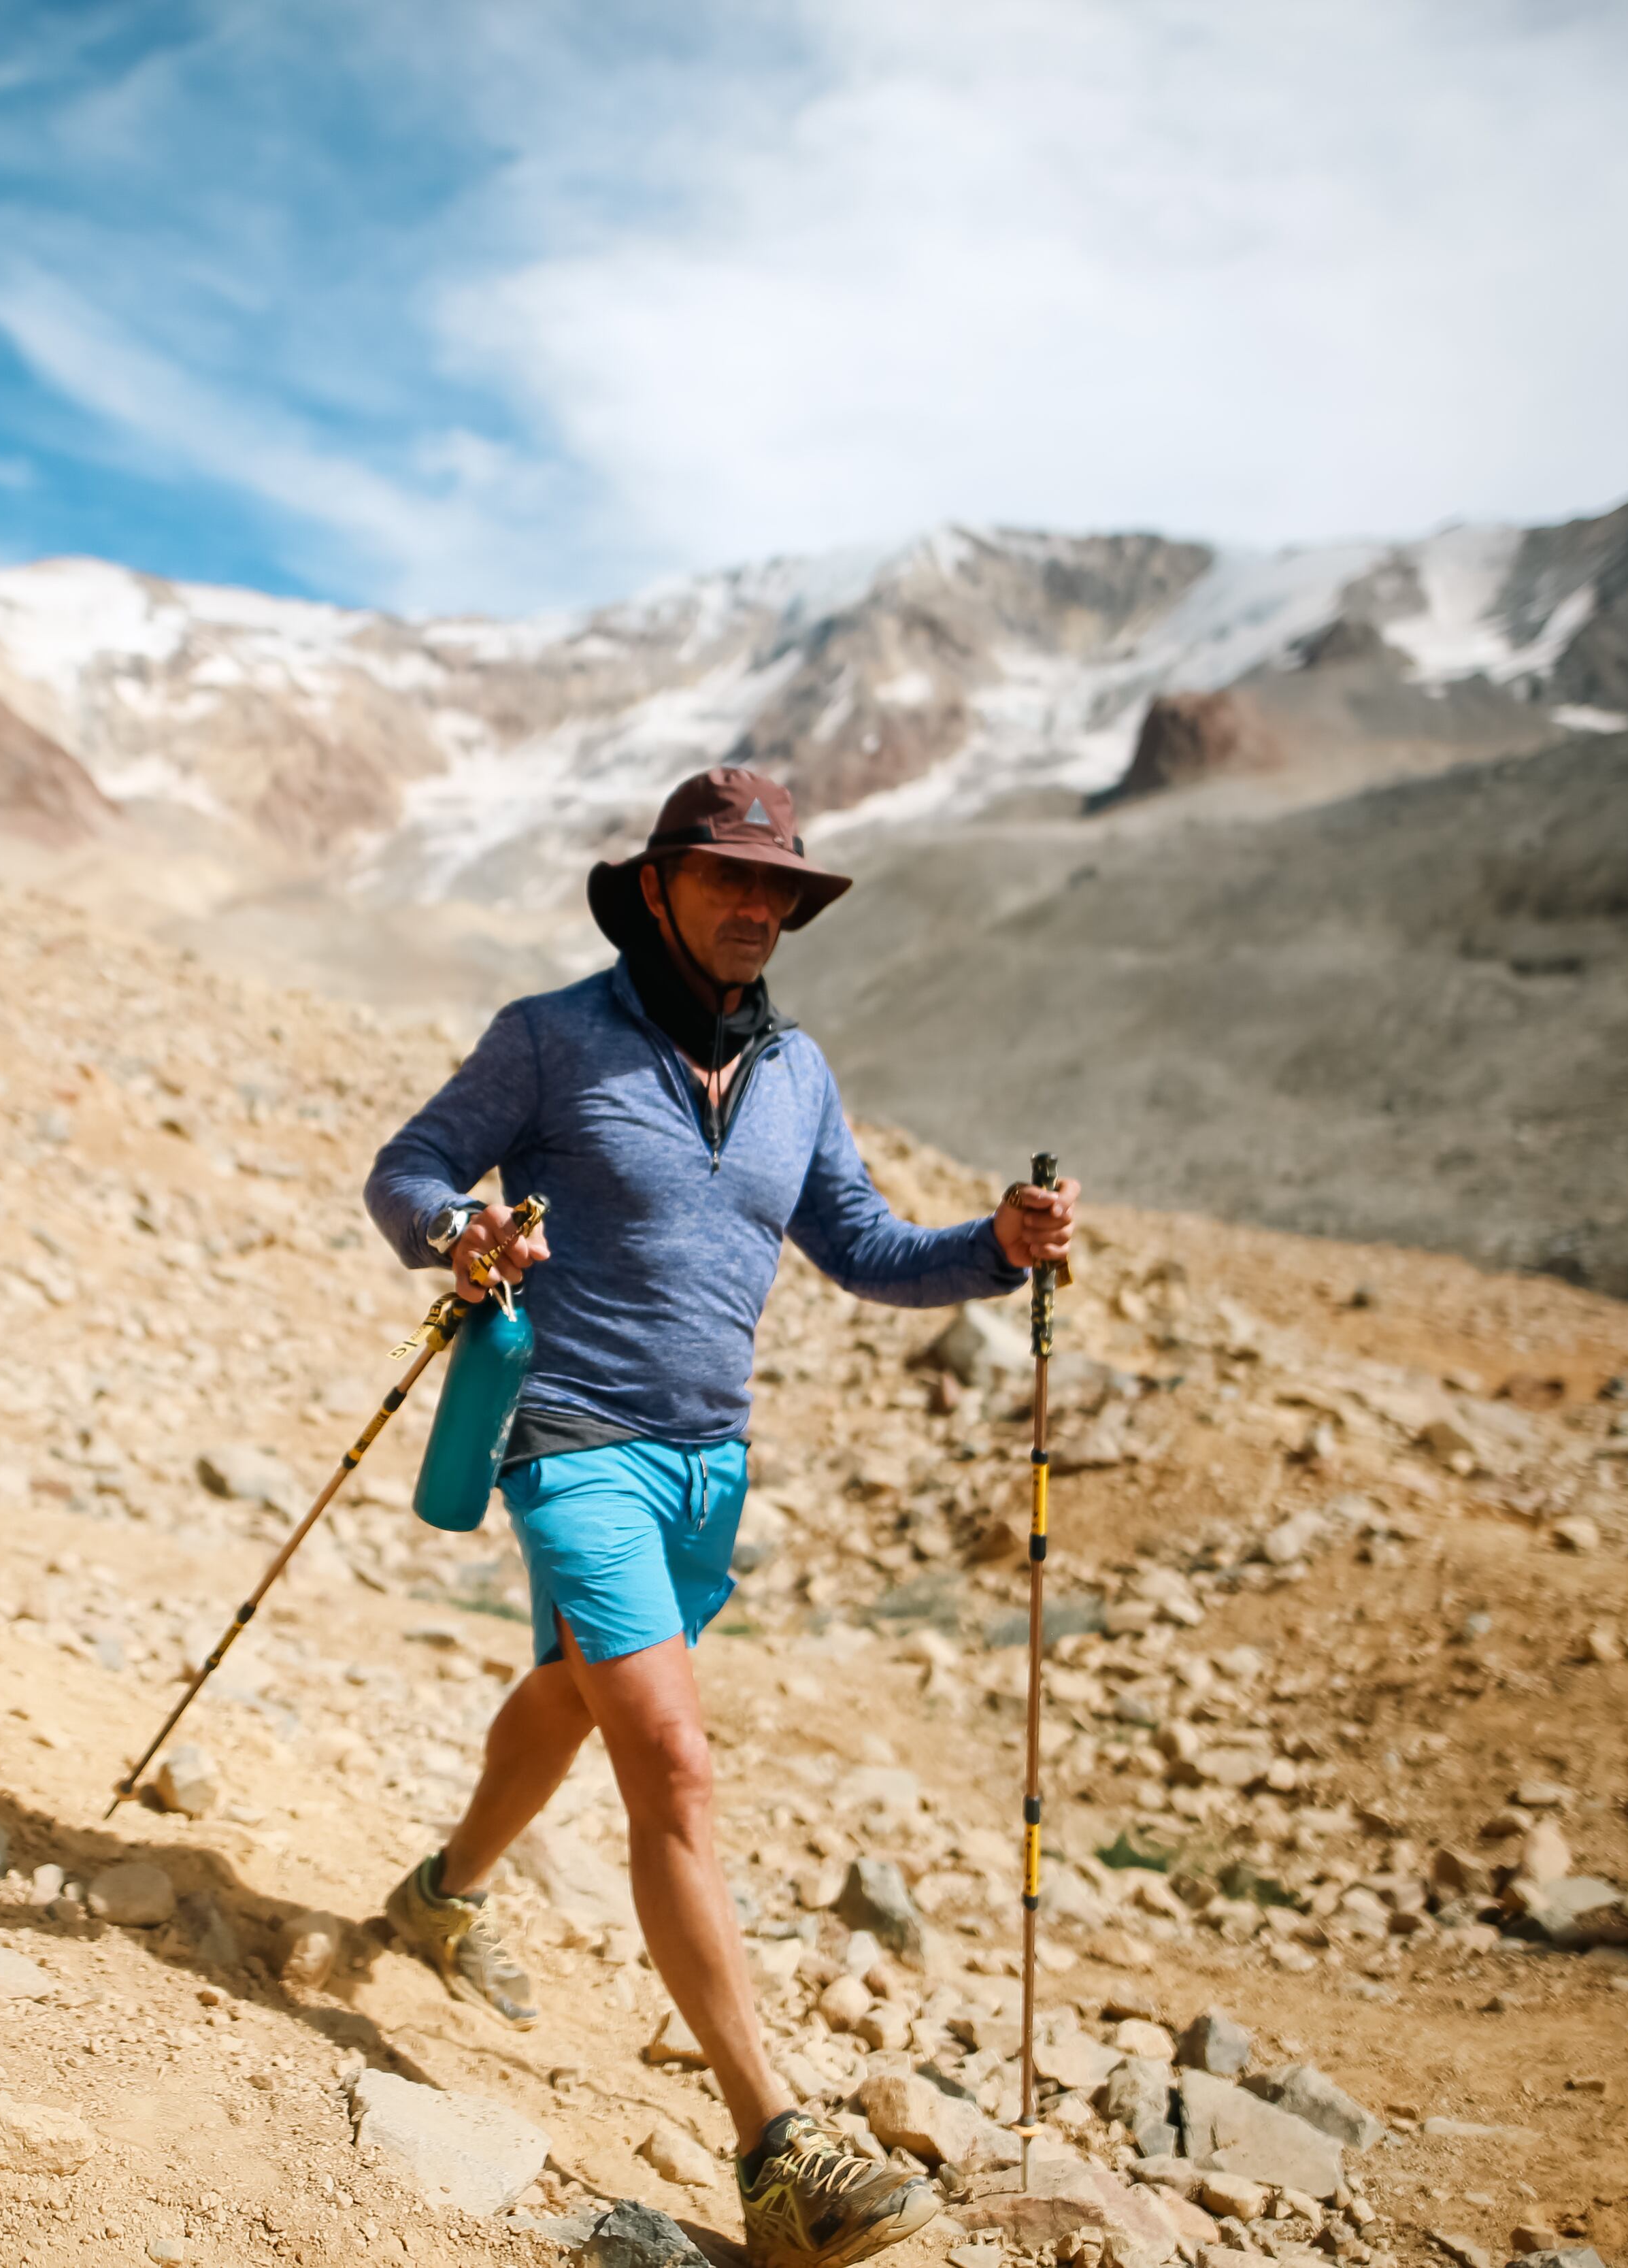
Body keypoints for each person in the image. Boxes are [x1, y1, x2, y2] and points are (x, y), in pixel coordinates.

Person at [362, 766, 1078, 2268]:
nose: (759, 910)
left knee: (582, 1690)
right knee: (672, 1760)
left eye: (782, 893)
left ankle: (440, 1894)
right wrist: (459, 1231)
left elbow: (869, 1247)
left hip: (706, 1465)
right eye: (729, 882)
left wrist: (995, 1249)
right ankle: (777, 2145)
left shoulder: (796, 1072)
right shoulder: (550, 1038)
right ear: (655, 888)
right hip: (570, 1440)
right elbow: (410, 1166)